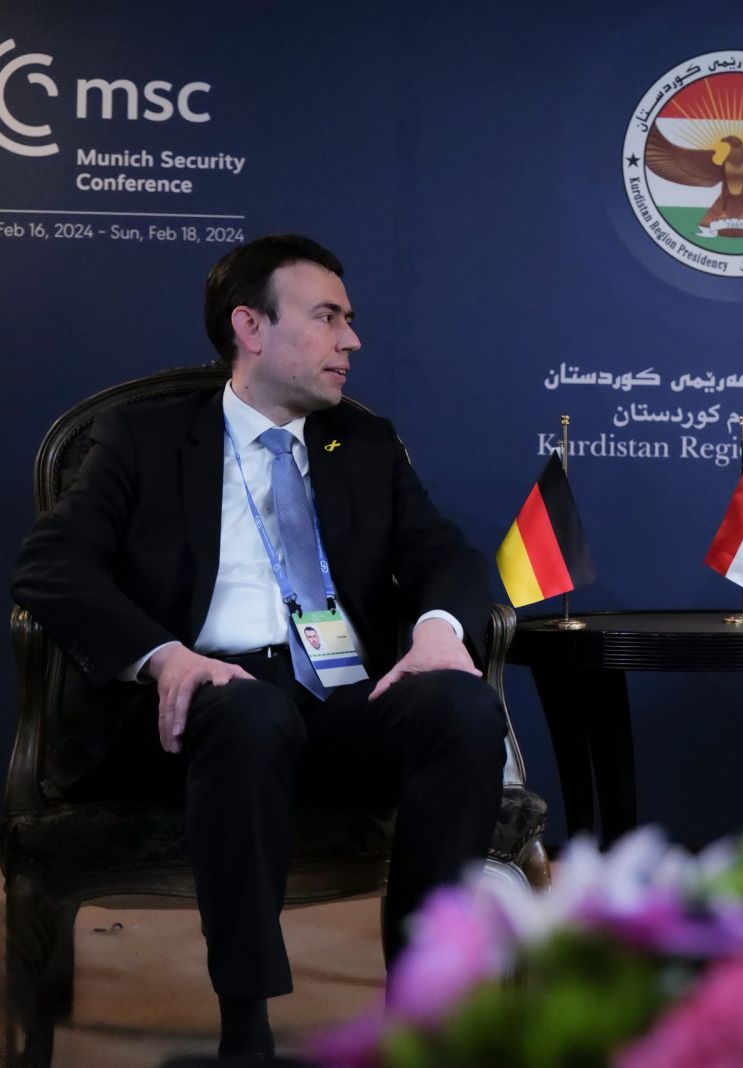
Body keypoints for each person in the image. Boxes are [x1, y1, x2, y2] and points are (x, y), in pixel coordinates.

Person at [11, 234, 507, 1060]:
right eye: (327, 318)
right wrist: (165, 656)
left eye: (349, 319)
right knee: (248, 714)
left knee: (462, 705)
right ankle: (247, 1028)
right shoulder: (143, 439)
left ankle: (425, 1008)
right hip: (200, 708)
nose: (352, 340)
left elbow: (445, 556)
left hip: (342, 701)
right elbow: (50, 565)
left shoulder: (364, 444)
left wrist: (434, 631)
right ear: (251, 326)